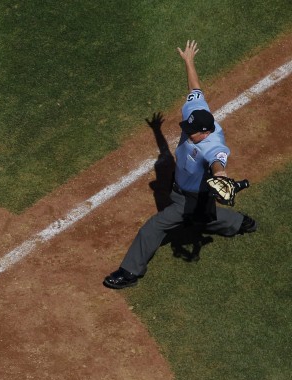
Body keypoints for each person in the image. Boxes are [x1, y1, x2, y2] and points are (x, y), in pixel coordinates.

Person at [104, 40, 256, 290]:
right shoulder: (198, 113)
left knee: (155, 226)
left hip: (192, 197)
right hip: (181, 188)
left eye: (191, 132)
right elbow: (195, 88)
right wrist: (189, 61)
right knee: (204, 220)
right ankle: (240, 223)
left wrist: (221, 174)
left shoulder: (213, 145)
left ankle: (129, 272)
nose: (186, 132)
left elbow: (219, 162)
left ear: (205, 132)